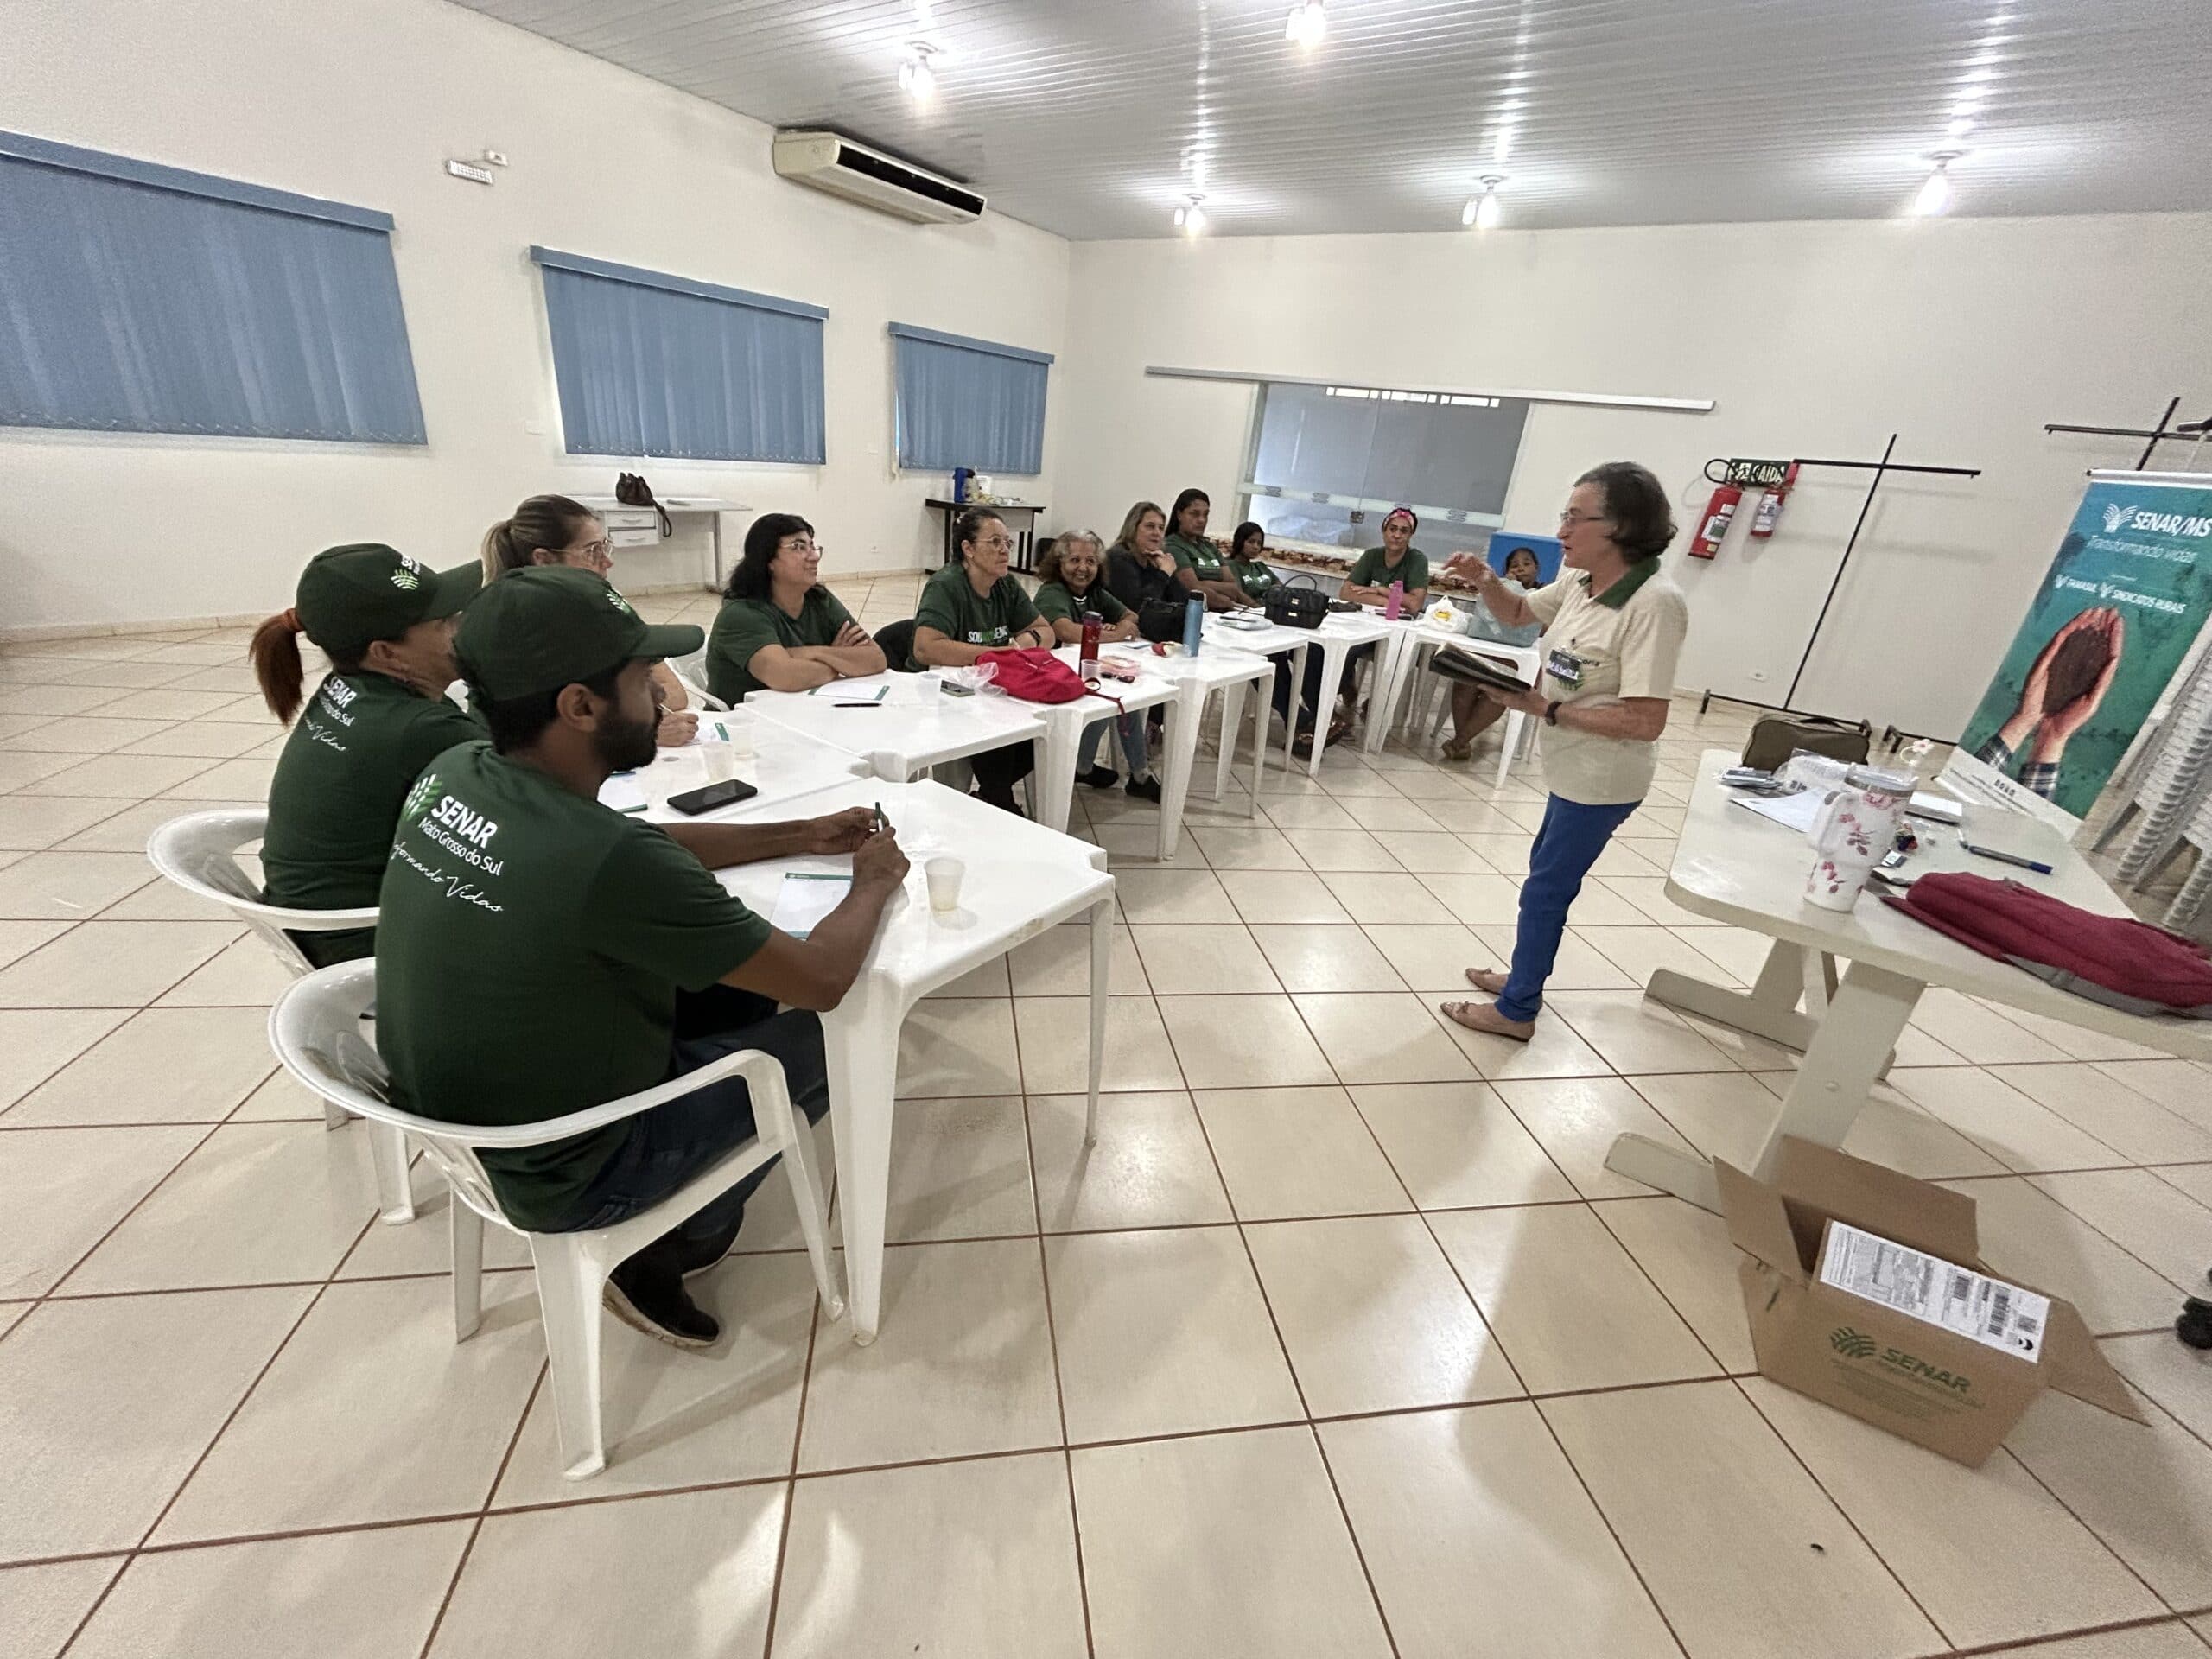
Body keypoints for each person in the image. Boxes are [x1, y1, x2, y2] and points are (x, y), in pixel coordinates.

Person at [377, 566, 909, 1347]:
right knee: (830, 1036)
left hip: (466, 1124)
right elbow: (824, 981)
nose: (662, 697)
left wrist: (796, 833)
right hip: (569, 1169)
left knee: (739, 992)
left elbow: (636, 843)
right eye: (641, 679)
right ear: (580, 706)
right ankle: (663, 1243)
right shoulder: (603, 861)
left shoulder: (457, 770)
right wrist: (872, 881)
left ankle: (685, 1174)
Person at [1435, 462, 1689, 1041]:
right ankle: (1522, 979)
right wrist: (1484, 578)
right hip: (1571, 765)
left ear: (1621, 527)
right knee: (1543, 879)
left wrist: (1544, 708)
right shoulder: (1580, 582)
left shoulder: (1654, 604)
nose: (1561, 532)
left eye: (1576, 519)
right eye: (1564, 516)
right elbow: (1517, 613)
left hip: (1602, 778)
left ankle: (1517, 1010)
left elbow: (1646, 720)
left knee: (1547, 889)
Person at [251, 543, 485, 966]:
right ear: (386, 653)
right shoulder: (419, 729)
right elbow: (527, 790)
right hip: (365, 946)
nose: (462, 627)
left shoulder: (349, 686)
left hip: (314, 925)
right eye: (445, 622)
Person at [482, 494, 696, 744]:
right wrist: (630, 730)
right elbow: (525, 738)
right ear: (544, 560)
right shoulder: (511, 633)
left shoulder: (604, 608)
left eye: (604, 546)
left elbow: (672, 691)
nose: (608, 561)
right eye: (592, 551)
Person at [911, 506, 1054, 813]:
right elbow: (925, 647)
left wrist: (1022, 643)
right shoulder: (947, 585)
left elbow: (1046, 632)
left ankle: (993, 796)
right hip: (936, 692)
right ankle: (999, 801)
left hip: (987, 687)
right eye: (995, 542)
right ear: (968, 549)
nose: (1005, 550)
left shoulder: (1005, 584)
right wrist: (996, 654)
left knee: (1041, 728)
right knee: (995, 730)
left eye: (1007, 543)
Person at [1033, 530, 1161, 803]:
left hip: (1086, 672)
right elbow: (1066, 631)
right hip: (1052, 679)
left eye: (1091, 561)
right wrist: (1116, 633)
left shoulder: (1094, 593)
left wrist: (1118, 627)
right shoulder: (1052, 592)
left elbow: (1131, 616)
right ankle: (1084, 767)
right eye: (1075, 560)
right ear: (1059, 563)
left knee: (1124, 697)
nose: (1083, 568)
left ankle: (1138, 775)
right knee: (1106, 699)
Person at [705, 512, 885, 702]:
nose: (814, 556)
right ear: (768, 560)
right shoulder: (741, 614)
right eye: (798, 547)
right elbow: (786, 676)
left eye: (812, 546)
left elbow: (876, 658)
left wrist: (812, 652)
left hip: (804, 709)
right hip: (743, 717)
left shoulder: (820, 599)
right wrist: (840, 661)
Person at [1322, 505, 1433, 744]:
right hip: (1364, 625)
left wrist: (1380, 590)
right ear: (1384, 531)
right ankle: (1338, 703)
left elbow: (1415, 604)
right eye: (1392, 529)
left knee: (1387, 660)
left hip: (1397, 633)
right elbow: (1346, 592)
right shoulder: (1372, 556)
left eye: (1404, 531)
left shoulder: (1416, 560)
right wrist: (1389, 600)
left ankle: (1372, 706)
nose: (1397, 535)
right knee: (1342, 647)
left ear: (1411, 535)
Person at [1440, 543, 1546, 761]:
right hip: (1485, 653)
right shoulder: (1498, 591)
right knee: (1464, 682)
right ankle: (1462, 742)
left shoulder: (1544, 594)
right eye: (1514, 565)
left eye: (1526, 564)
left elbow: (1543, 629)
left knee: (1498, 690)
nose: (1520, 568)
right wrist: (1508, 587)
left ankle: (1459, 741)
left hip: (1517, 662)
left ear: (1537, 568)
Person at [1163, 488, 1253, 612]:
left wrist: (1203, 583)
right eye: (1195, 514)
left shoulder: (1210, 547)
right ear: (1179, 515)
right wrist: (1226, 601)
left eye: (1205, 514)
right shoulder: (1173, 546)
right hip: (1196, 613)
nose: (1202, 520)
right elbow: (1194, 590)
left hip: (1225, 612)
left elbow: (1233, 586)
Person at [1103, 500, 1179, 617]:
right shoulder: (1118, 558)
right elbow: (1138, 609)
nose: (1157, 533)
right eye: (1150, 526)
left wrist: (1170, 573)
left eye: (1161, 528)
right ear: (1133, 528)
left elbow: (1184, 601)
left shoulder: (1153, 559)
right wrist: (1164, 573)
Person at [1224, 521, 1280, 601]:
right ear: (1240, 541)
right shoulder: (1230, 566)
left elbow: (1282, 589)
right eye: (1251, 542)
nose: (1256, 547)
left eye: (1259, 543)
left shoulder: (1260, 566)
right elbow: (1238, 595)